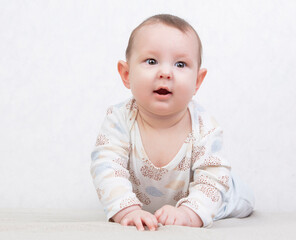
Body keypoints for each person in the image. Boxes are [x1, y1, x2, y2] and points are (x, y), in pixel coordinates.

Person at [90, 14, 254, 231]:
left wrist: (188, 213)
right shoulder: (119, 120)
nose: (166, 73)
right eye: (151, 61)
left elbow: (212, 178)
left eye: (180, 64)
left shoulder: (204, 127)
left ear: (197, 81)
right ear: (126, 74)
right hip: (151, 205)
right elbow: (107, 166)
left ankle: (237, 194)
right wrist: (127, 210)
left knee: (240, 198)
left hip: (216, 196)